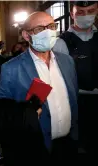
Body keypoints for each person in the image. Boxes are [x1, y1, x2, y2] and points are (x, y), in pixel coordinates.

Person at [0, 12, 78, 163]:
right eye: (40, 29)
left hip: (68, 145)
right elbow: (2, 110)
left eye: (52, 26)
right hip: (34, 150)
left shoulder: (68, 62)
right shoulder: (10, 68)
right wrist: (27, 111)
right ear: (26, 36)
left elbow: (73, 100)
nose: (48, 32)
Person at [53, 1, 98, 156]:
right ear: (72, 14)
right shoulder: (60, 42)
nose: (86, 15)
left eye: (91, 10)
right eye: (80, 12)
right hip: (74, 103)